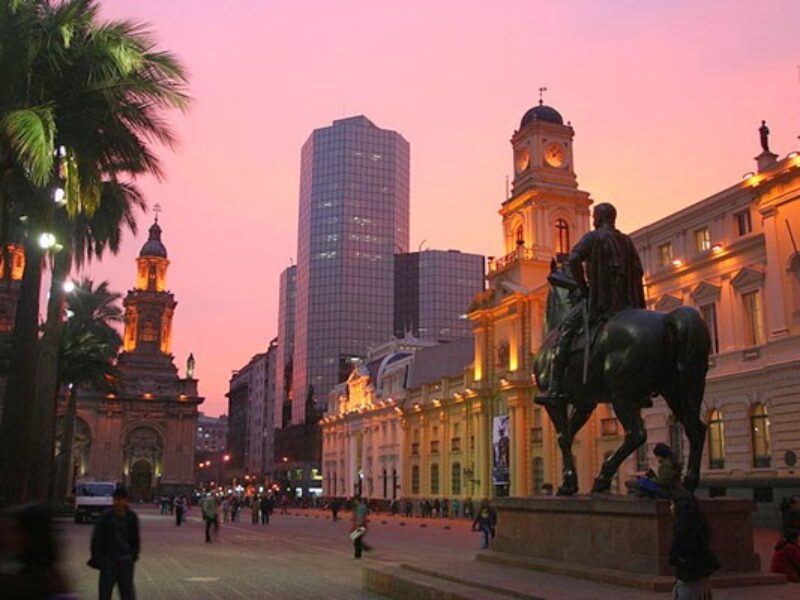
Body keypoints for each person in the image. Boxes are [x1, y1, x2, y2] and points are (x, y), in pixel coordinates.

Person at [536, 202, 645, 406]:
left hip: (600, 300)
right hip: (627, 303)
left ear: (600, 217)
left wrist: (584, 288)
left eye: (594, 216)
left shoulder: (593, 237)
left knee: (564, 332)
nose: (593, 220)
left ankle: (554, 387)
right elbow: (639, 271)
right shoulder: (627, 241)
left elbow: (574, 260)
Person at [0, 504, 72, 599]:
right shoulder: (51, 576)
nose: (5, 537)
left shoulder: (23, 585)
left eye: (13, 530)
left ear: (28, 536)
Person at [89, 487, 140, 600]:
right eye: (115, 499)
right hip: (108, 561)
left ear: (126, 500)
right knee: (105, 593)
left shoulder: (131, 517)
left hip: (125, 561)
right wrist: (100, 559)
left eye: (120, 500)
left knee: (127, 593)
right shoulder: (105, 517)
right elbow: (96, 539)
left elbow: (135, 539)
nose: (118, 503)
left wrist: (133, 556)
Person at [669, 495, 719, 599]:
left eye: (672, 504)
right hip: (698, 583)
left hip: (687, 582)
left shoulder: (682, 532)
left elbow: (674, 557)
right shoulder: (700, 527)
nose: (671, 507)